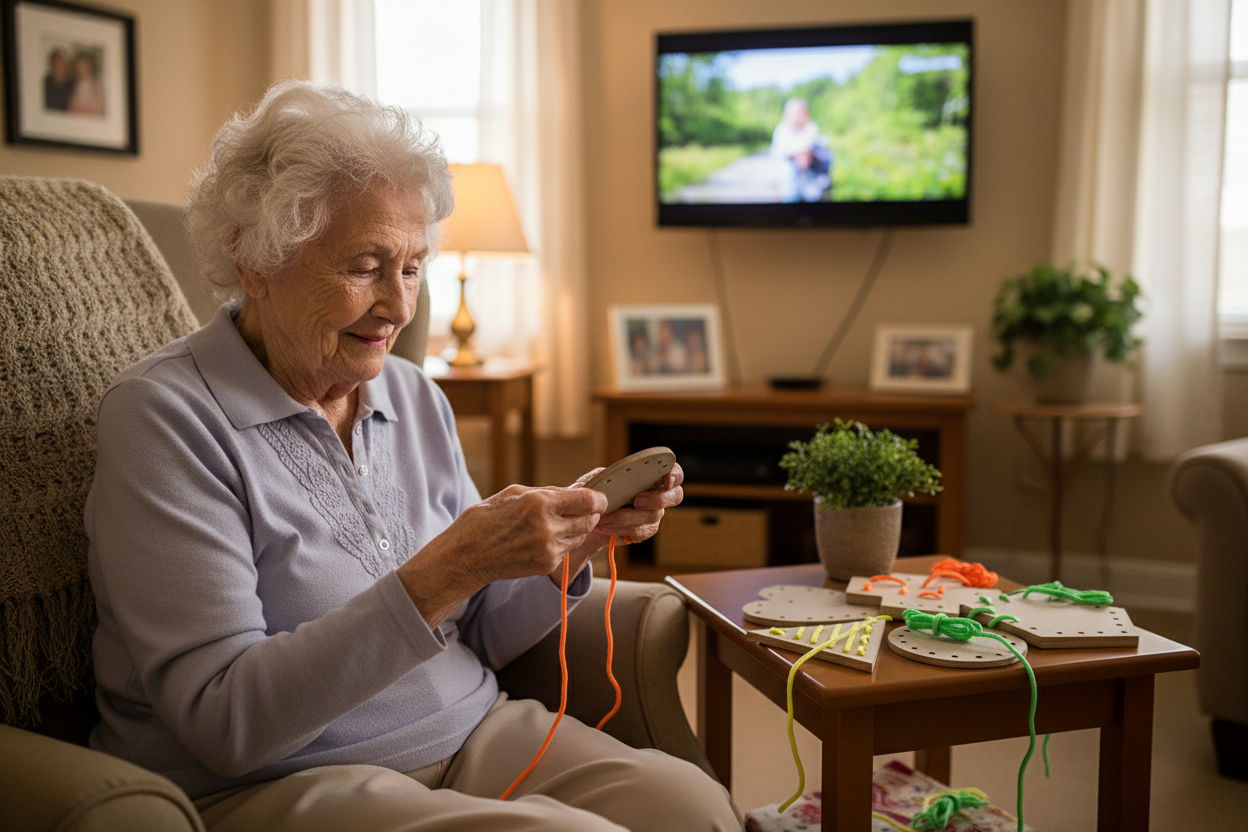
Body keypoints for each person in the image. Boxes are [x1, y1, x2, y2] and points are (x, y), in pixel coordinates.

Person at [86, 81, 741, 832]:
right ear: (254, 259)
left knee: (695, 807)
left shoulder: (411, 394)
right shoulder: (166, 418)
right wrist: (447, 568)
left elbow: (484, 628)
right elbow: (226, 719)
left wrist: (571, 541)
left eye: (412, 267)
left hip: (472, 731)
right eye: (365, 266)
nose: (399, 307)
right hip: (281, 780)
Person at [769, 97, 832, 202]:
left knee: (826, 153)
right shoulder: (782, 129)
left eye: (803, 113)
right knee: (791, 175)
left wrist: (802, 152)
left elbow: (807, 150)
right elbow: (785, 151)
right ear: (788, 115)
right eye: (796, 113)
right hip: (789, 171)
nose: (799, 116)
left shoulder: (811, 126)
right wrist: (799, 152)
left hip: (809, 167)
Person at [67, 51, 104, 116]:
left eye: (83, 65)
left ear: (90, 66)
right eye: (78, 66)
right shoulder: (72, 86)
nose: (81, 69)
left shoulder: (99, 86)